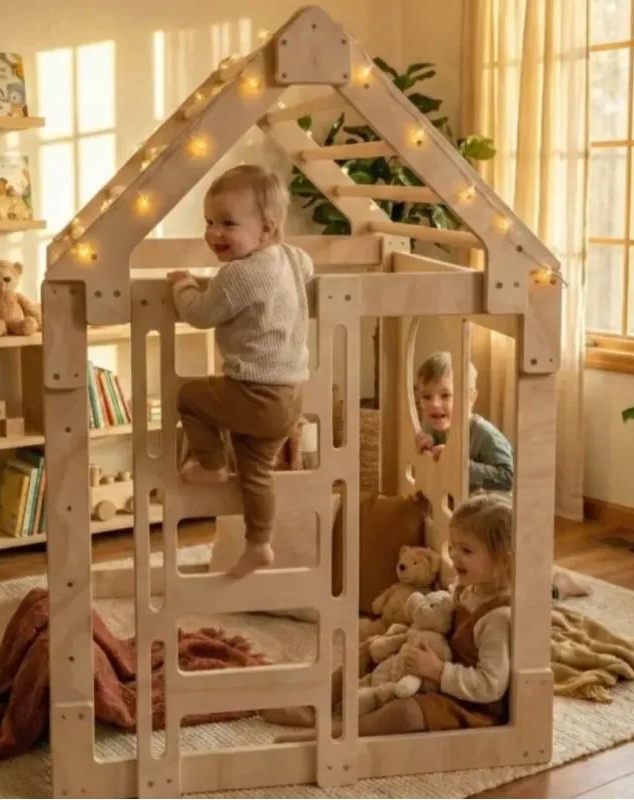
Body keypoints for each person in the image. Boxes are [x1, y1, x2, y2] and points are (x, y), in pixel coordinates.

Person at [263, 491, 514, 737]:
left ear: (503, 560)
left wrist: (438, 670)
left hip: (468, 703)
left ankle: (340, 734)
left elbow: (489, 686)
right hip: (433, 672)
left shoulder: (497, 617)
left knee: (406, 713)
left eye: (467, 550)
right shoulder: (467, 589)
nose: (455, 556)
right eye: (454, 546)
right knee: (371, 649)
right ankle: (315, 704)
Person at [167, 164, 313, 578]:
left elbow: (199, 314)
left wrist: (182, 286)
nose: (214, 233)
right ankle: (259, 543)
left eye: (228, 224)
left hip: (256, 392)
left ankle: (211, 463)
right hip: (290, 396)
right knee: (256, 471)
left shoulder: (238, 275)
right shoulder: (292, 257)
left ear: (267, 229)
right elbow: (308, 270)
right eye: (209, 222)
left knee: (189, 397)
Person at [414, 351, 513, 493]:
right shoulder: (431, 426)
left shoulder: (483, 434)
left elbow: (508, 478)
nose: (434, 404)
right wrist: (427, 448)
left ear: (470, 398)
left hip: (488, 505)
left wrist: (459, 466)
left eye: (445, 395)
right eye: (426, 396)